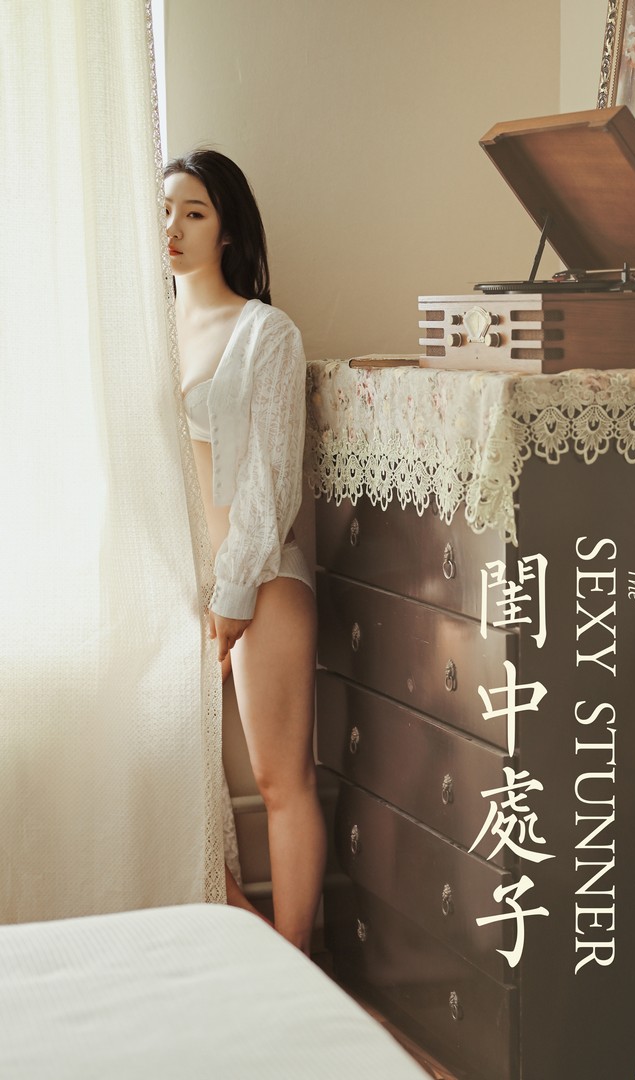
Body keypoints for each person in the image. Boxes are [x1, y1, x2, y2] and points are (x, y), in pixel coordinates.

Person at [163, 149, 325, 954]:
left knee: (277, 780)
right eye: (164, 211)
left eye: (193, 212)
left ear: (226, 229)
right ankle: (259, 955)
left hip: (259, 575)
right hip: (177, 581)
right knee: (166, 791)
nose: (173, 227)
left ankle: (300, 967)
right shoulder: (141, 333)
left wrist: (232, 595)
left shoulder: (266, 332)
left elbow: (270, 482)